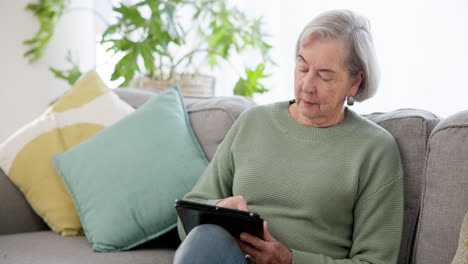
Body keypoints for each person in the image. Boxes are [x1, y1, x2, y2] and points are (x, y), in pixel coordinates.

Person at [174, 9, 404, 264]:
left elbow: (376, 261)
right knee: (206, 238)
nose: (306, 85)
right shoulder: (253, 122)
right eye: (302, 67)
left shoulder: (375, 149)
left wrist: (291, 260)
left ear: (355, 82)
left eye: (324, 75)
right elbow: (187, 219)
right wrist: (219, 209)